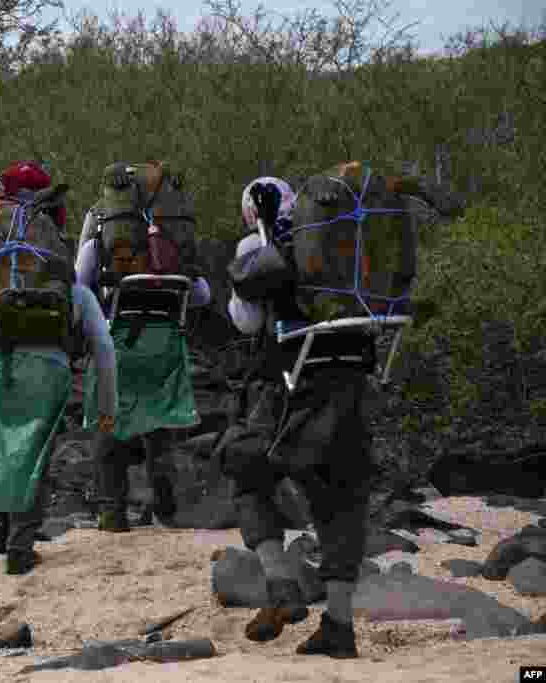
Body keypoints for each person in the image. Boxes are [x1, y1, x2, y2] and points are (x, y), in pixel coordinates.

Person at [0, 165, 118, 576]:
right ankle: (19, 546)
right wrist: (105, 406)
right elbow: (104, 347)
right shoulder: (72, 288)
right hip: (49, 368)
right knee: (33, 456)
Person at [218, 174, 375, 659]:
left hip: (288, 381)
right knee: (341, 495)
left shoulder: (259, 242)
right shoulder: (348, 241)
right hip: (351, 378)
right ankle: (340, 627)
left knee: (247, 472)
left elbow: (245, 320)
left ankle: (282, 588)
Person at [73, 164, 211, 532]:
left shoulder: (102, 231)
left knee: (108, 427)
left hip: (117, 343)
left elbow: (79, 288)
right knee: (158, 426)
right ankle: (166, 508)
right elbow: (202, 294)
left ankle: (112, 513)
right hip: (165, 344)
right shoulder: (172, 235)